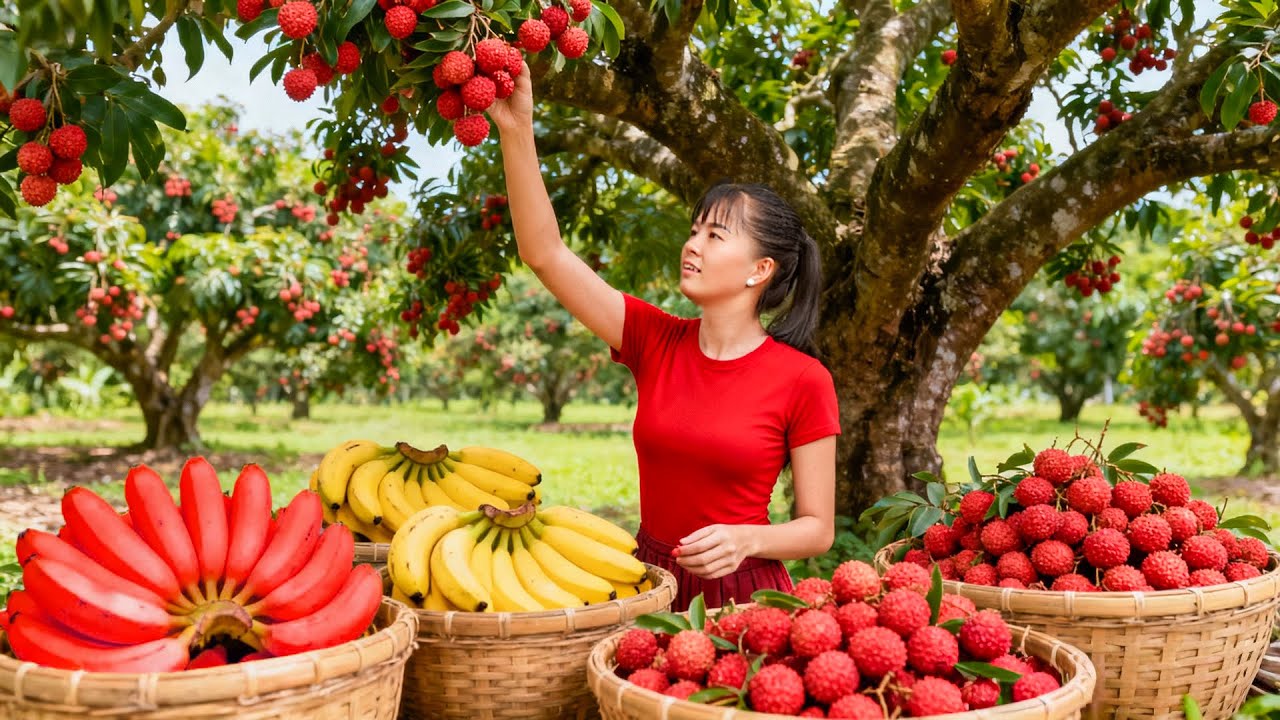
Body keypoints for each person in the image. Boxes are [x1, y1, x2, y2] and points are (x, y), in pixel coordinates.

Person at [488, 64, 840, 611]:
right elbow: (545, 254)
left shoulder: (803, 379)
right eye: (694, 230)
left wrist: (748, 539)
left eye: (715, 235)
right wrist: (517, 129)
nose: (692, 245)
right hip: (646, 583)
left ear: (760, 270)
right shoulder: (655, 340)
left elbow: (818, 529)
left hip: (740, 597)